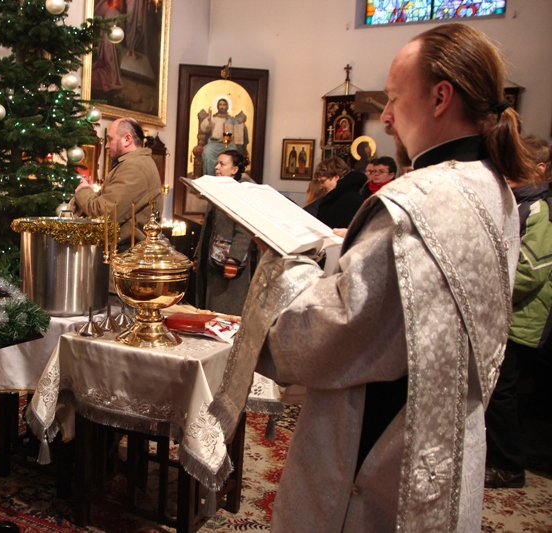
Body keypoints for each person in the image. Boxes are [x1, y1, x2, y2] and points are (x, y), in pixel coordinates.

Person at [207, 23, 537, 532]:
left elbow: (337, 332)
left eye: (393, 98)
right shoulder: (494, 189)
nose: (384, 117)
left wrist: (287, 265)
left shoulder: (415, 206)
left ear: (440, 98)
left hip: (376, 441)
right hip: (444, 436)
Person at [484, 135, 552, 489]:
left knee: (501, 392)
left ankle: (510, 466)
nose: (506, 170)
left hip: (521, 317)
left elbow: (529, 272)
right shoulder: (518, 204)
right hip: (504, 313)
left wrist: (484, 291)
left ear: (539, 170)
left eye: (516, 163)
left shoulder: (540, 210)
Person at [71, 117, 161, 249]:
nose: (106, 145)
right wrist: (90, 192)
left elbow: (104, 213)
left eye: (110, 139)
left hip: (126, 252)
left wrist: (83, 190)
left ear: (127, 139)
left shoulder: (134, 168)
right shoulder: (133, 163)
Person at [193, 150, 254, 316]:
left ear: (235, 169)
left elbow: (244, 229)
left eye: (222, 164)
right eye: (216, 163)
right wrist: (199, 254)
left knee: (225, 307)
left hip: (227, 260)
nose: (216, 167)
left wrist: (234, 258)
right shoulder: (218, 191)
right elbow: (208, 227)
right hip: (211, 259)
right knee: (209, 307)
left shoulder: (241, 194)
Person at [314, 155, 367, 229]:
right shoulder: (338, 197)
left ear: (336, 177)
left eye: (322, 182)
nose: (321, 187)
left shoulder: (349, 200)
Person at [199, 98, 248, 176]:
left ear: (227, 107)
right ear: (217, 106)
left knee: (234, 151)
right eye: (220, 105)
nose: (222, 107)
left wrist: (242, 127)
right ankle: (211, 176)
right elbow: (204, 129)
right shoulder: (213, 118)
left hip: (227, 144)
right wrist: (208, 118)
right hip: (214, 144)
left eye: (224, 105)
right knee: (208, 152)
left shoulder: (231, 119)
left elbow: (238, 130)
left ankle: (230, 176)